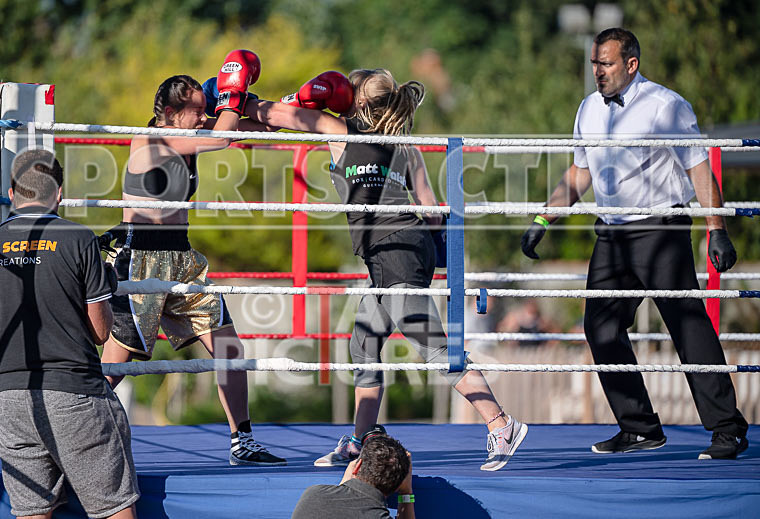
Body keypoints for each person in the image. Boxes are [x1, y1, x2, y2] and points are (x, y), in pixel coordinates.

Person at [246, 68, 527, 471]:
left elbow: (276, 116)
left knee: (432, 348)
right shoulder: (402, 145)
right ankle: (362, 441)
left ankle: (501, 424)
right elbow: (430, 207)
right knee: (364, 343)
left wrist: (234, 101)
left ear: (357, 100)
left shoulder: (339, 130)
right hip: (400, 251)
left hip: (396, 253)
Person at [520, 28, 748, 460]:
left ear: (631, 64)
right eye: (593, 63)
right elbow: (579, 172)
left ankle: (727, 428)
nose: (597, 72)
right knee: (599, 327)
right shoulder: (587, 108)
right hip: (611, 232)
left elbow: (699, 169)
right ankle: (639, 427)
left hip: (662, 228)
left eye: (605, 63)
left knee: (687, 325)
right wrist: (542, 217)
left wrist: (716, 227)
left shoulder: (667, 106)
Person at [100, 51, 286, 466]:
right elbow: (222, 136)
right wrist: (231, 100)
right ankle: (70, 428)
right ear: (169, 112)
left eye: (206, 110)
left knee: (230, 348)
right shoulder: (152, 138)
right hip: (142, 259)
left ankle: (243, 440)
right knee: (116, 365)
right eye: (196, 111)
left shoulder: (188, 135)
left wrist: (279, 108)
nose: (204, 118)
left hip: (182, 259)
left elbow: (239, 129)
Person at [0, 149, 139, 518]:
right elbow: (100, 331)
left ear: (12, 193)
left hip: (9, 398)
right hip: (73, 391)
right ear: (59, 193)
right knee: (114, 509)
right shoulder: (79, 238)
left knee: (32, 513)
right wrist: (106, 286)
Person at [292, 432, 414, 519]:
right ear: (398, 485)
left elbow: (339, 505)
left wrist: (348, 479)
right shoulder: (378, 516)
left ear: (357, 465)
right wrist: (406, 493)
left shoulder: (313, 494)